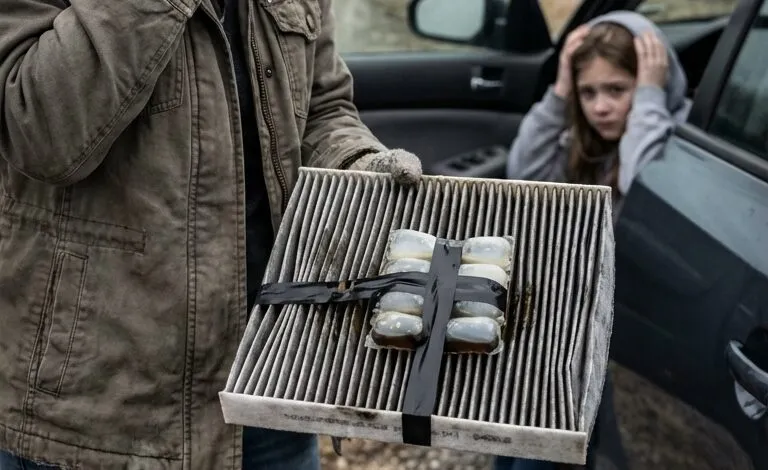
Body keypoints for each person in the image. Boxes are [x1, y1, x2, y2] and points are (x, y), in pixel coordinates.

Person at [0, 1, 421, 469]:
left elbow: (323, 106)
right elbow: (37, 131)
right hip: (99, 408)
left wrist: (355, 163)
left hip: (269, 378)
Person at [498, 10, 691, 470]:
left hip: (616, 337)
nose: (601, 106)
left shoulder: (668, 140)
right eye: (589, 92)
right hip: (569, 325)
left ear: (650, 88)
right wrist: (560, 91)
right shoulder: (586, 146)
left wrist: (648, 99)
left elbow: (646, 189)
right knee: (511, 441)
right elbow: (523, 175)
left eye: (618, 90)